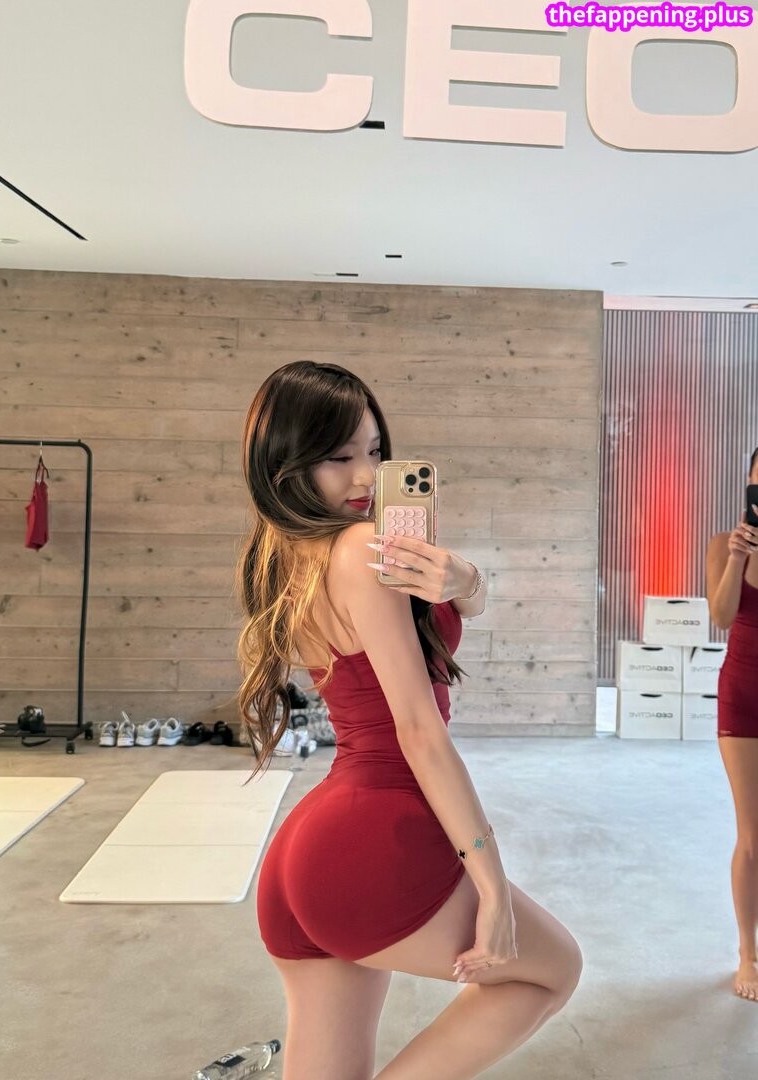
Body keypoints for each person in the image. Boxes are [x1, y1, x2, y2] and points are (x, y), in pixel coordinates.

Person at [235, 361, 582, 1080]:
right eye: (339, 457)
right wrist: (492, 885)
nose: (365, 476)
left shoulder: (286, 556)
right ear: (285, 462)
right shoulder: (359, 550)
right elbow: (418, 734)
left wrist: (464, 581)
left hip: (308, 853)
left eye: (374, 451)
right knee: (552, 970)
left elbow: (456, 612)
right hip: (373, 837)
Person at [706, 446, 758, 1003]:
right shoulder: (724, 544)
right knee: (753, 836)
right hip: (743, 697)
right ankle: (748, 952)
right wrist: (738, 560)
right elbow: (720, 616)